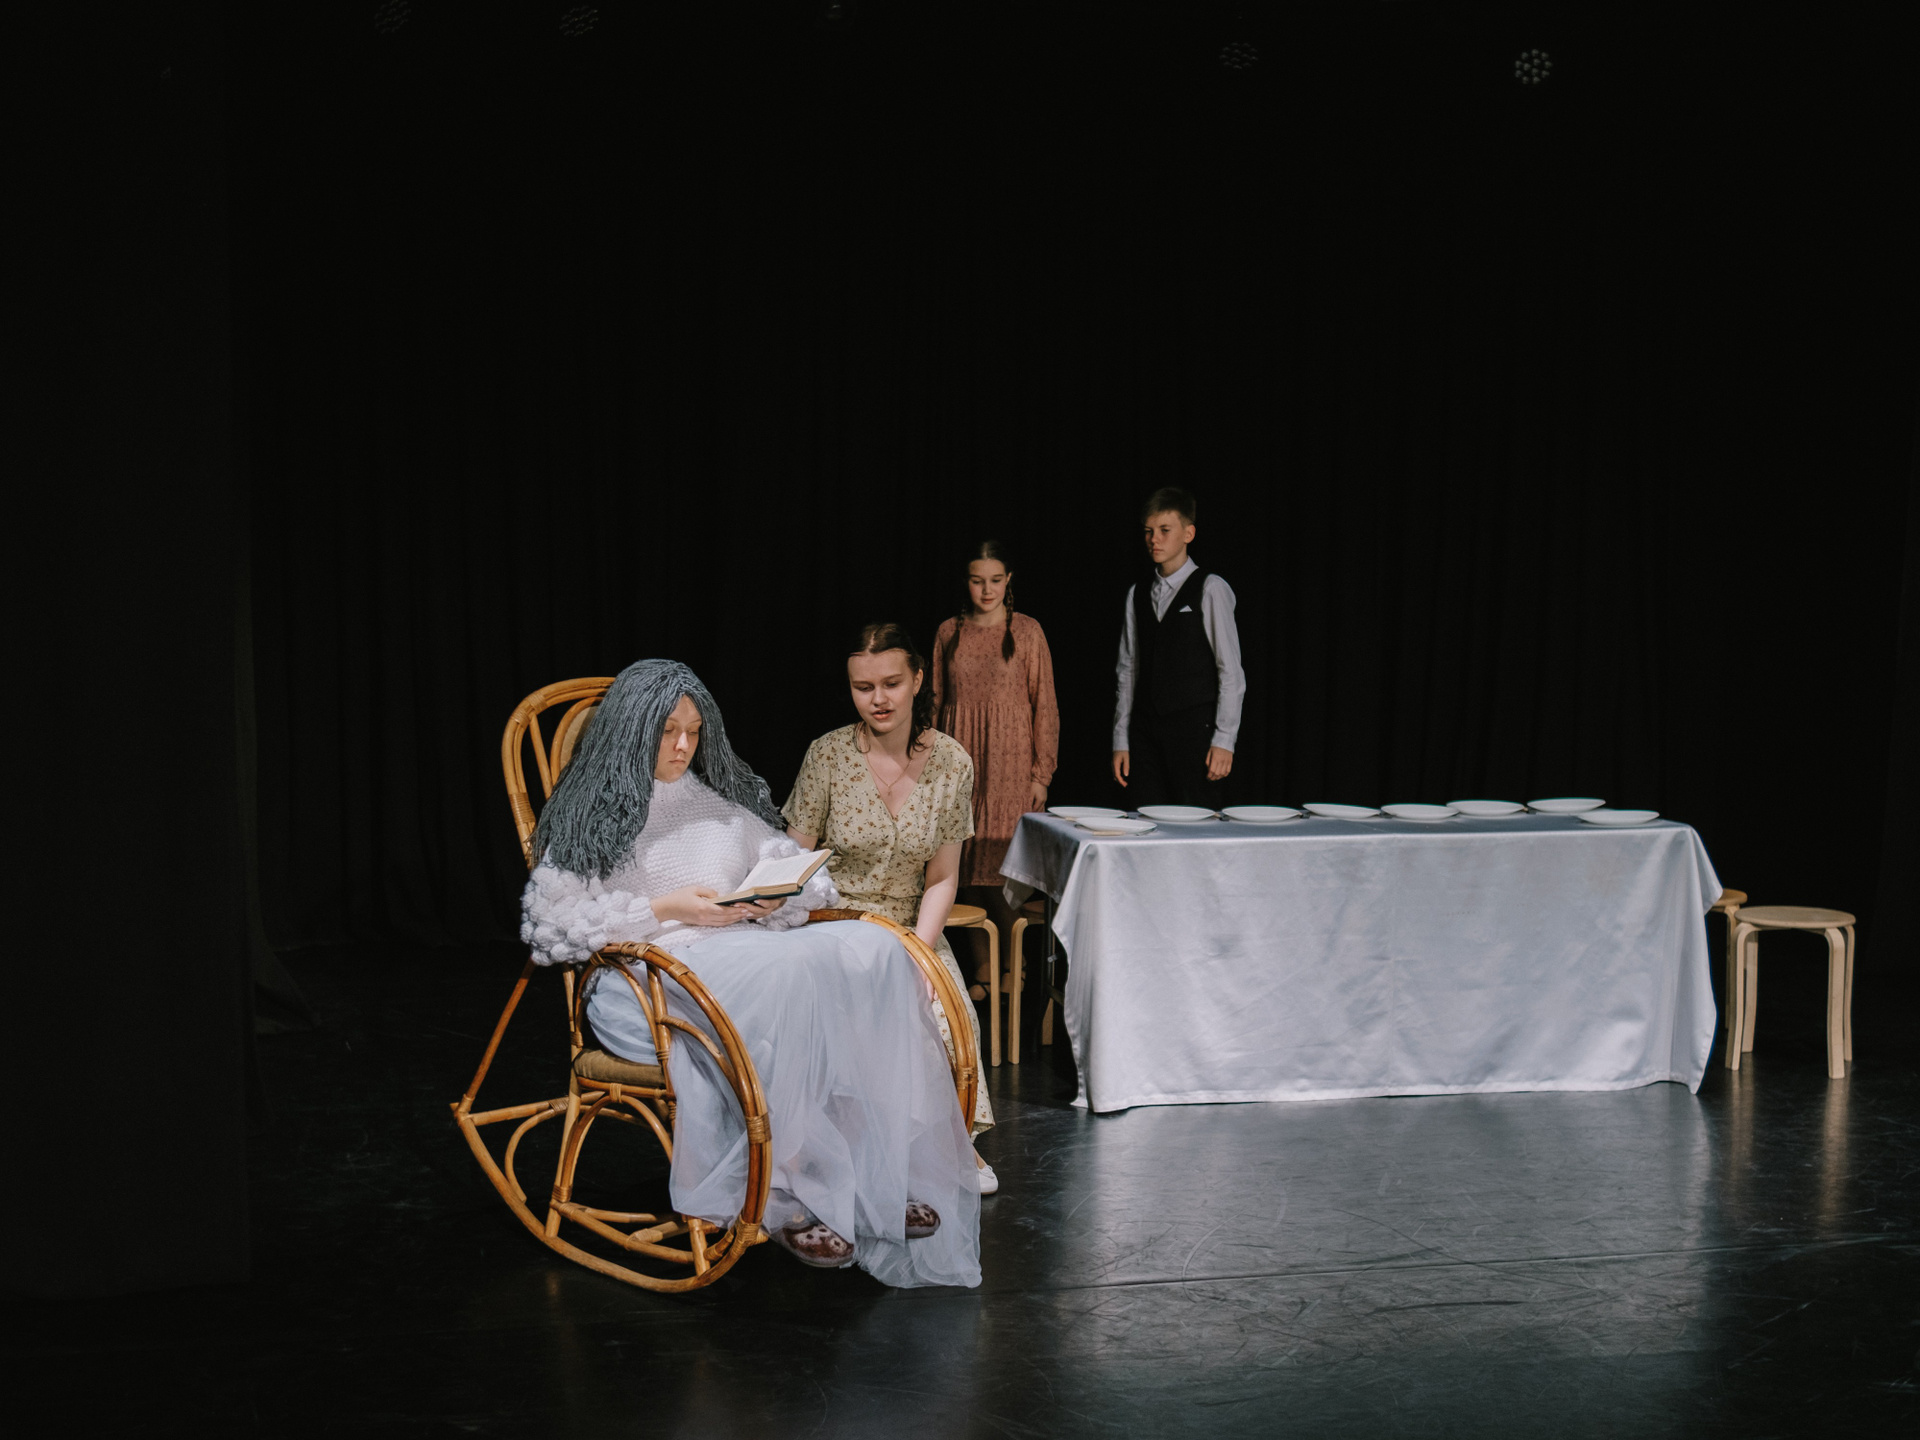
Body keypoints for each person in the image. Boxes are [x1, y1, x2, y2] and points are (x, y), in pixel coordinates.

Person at [519, 658, 980, 1288]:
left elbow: (803, 874)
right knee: (787, 974)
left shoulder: (714, 803)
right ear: (631, 729)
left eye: (693, 731)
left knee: (873, 949)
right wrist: (665, 909)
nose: (683, 746)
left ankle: (866, 1174)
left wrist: (771, 897)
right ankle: (788, 1193)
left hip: (742, 957)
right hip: (649, 983)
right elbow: (551, 922)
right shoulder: (589, 819)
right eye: (666, 731)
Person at [783, 623, 1001, 1192]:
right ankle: (842, 1146)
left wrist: (919, 955)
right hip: (833, 919)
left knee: (946, 1014)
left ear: (918, 680)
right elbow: (791, 862)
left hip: (910, 923)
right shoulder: (828, 755)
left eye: (891, 684)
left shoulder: (952, 761)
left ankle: (950, 1143)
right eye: (863, 687)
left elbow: (943, 876)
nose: (877, 699)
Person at [930, 541, 1060, 1000]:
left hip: (1010, 767)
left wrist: (1041, 774)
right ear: (966, 582)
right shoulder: (949, 631)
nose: (987, 590)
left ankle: (1015, 966)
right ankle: (985, 971)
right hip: (960, 765)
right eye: (977, 580)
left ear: (1009, 581)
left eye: (996, 580)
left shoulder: (1026, 631)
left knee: (1002, 872)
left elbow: (1045, 704)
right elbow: (935, 702)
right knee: (965, 871)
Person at [1110, 486, 1246, 810]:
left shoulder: (1211, 588)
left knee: (1197, 823)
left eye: (1164, 530)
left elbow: (1230, 671)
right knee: (1145, 820)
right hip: (1145, 733)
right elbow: (1127, 671)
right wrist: (1121, 739)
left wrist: (1224, 740)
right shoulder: (1137, 594)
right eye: (1148, 531)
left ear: (1188, 533)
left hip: (1195, 732)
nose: (1154, 539)